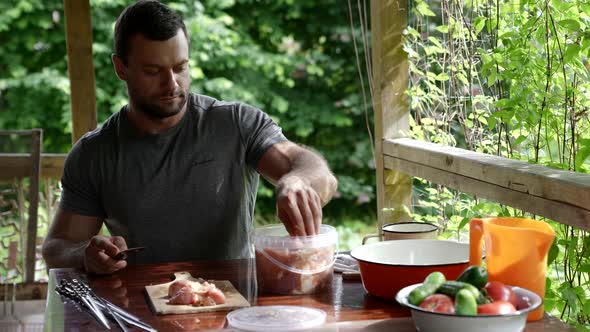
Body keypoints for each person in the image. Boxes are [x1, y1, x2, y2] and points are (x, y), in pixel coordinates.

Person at [41, 0, 337, 275]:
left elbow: (317, 173)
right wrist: (85, 255)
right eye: (153, 71)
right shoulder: (94, 153)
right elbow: (57, 249)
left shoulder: (236, 123)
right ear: (121, 68)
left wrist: (297, 180)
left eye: (180, 67)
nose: (172, 84)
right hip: (141, 309)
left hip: (233, 303)